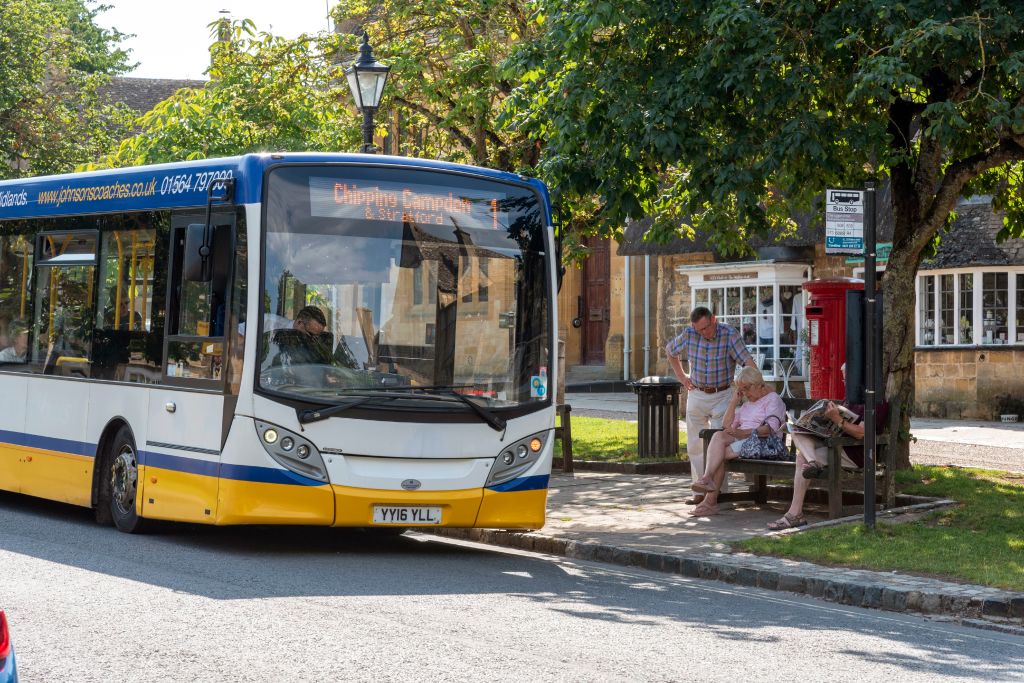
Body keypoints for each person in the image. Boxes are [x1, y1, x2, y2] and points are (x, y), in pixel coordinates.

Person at [767, 363, 889, 530]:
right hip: (836, 445)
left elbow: (862, 433)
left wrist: (837, 419)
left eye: (847, 380)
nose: (845, 383)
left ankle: (795, 514)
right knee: (796, 431)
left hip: (854, 453)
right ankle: (812, 464)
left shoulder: (875, 400)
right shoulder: (851, 398)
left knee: (801, 457)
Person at [666, 306, 758, 505]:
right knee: (695, 444)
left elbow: (748, 362)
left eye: (707, 328)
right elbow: (670, 351)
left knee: (718, 441)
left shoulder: (729, 334)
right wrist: (682, 377)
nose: (704, 333)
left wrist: (756, 388)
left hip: (722, 394)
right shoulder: (690, 334)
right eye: (699, 330)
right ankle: (699, 491)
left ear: (713, 319)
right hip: (697, 392)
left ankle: (717, 493)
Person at [689, 366, 787, 516]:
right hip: (744, 440)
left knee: (719, 454)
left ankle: (710, 501)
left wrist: (742, 432)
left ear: (757, 384)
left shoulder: (773, 399)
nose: (745, 394)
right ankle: (707, 479)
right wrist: (734, 401)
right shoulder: (747, 404)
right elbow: (726, 426)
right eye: (741, 390)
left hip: (762, 442)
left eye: (746, 389)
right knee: (717, 437)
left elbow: (770, 429)